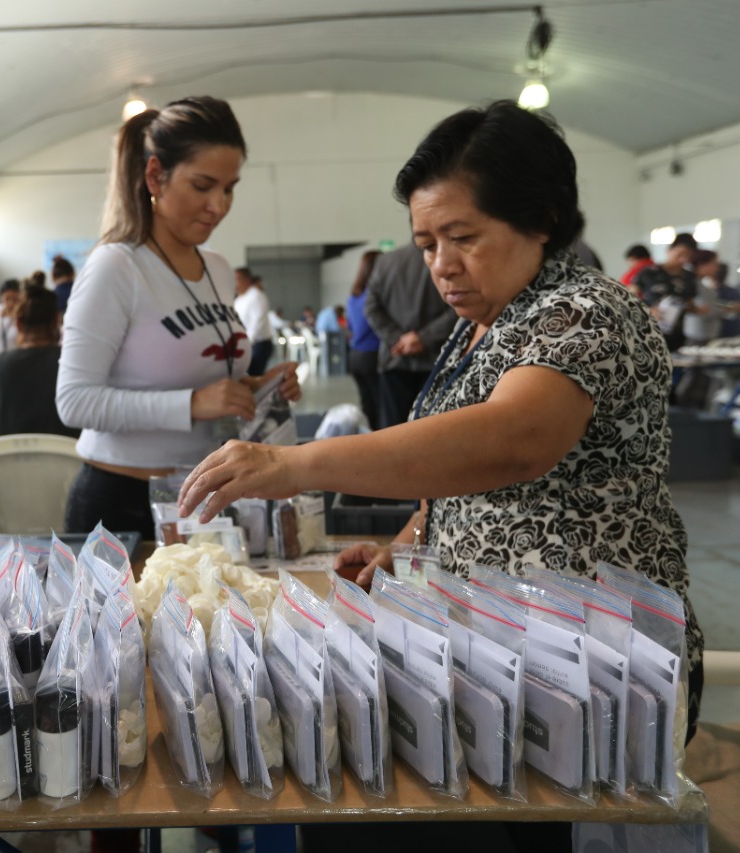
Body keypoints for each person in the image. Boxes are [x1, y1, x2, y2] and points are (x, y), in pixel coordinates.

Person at [177, 100, 704, 756]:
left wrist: (295, 464)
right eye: (427, 244)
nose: (442, 265)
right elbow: (457, 478)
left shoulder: (585, 313)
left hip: (591, 662)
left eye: (464, 237)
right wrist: (402, 545)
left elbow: (511, 440)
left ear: (541, 220)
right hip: (502, 653)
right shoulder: (479, 324)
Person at [56, 95, 299, 539]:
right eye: (203, 186)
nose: (219, 205)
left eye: (229, 188)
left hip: (201, 496)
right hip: (120, 502)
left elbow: (202, 376)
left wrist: (260, 389)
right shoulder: (118, 266)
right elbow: (74, 401)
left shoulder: (219, 270)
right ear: (155, 176)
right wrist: (192, 404)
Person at [364, 244, 457, 427]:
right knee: (434, 429)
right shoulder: (445, 261)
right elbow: (456, 309)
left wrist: (398, 340)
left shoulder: (384, 261)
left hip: (394, 359)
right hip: (436, 360)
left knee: (394, 431)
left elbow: (371, 308)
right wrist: (423, 338)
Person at [0, 285, 78, 437]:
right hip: (67, 457)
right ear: (56, 321)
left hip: (10, 457)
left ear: (18, 323)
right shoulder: (73, 363)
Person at [635, 232, 698, 351]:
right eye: (679, 254)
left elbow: (690, 303)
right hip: (648, 332)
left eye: (688, 256)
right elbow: (629, 297)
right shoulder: (649, 273)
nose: (682, 259)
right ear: (669, 250)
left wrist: (697, 309)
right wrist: (647, 310)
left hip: (676, 334)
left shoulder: (689, 277)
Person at [345, 249, 384, 430]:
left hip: (356, 356)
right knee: (381, 404)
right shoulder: (375, 295)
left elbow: (351, 328)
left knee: (367, 404)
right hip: (373, 354)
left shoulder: (354, 296)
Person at [233, 266, 273, 376]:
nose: (234, 282)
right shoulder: (239, 298)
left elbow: (257, 322)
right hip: (244, 343)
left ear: (246, 280)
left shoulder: (256, 296)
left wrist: (247, 343)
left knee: (254, 376)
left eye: (236, 279)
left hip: (258, 344)